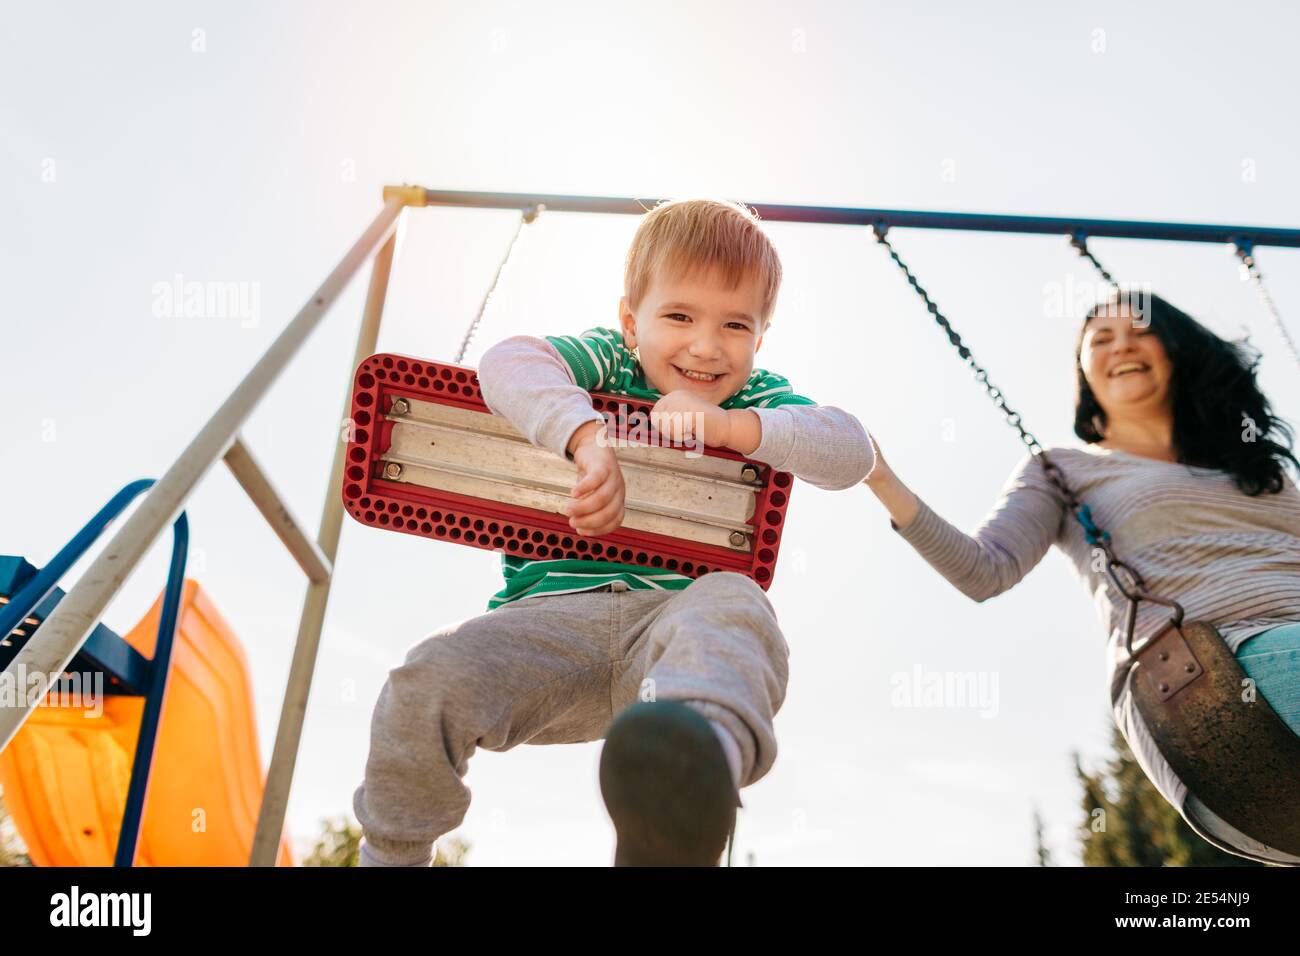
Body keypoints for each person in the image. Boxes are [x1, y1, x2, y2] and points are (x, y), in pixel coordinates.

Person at [353, 197, 875, 866]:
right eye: (680, 315)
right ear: (631, 322)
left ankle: (691, 772)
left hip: (669, 638)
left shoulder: (755, 399)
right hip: (548, 628)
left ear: (760, 338)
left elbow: (850, 449)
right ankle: (392, 855)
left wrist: (730, 428)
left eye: (736, 324)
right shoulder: (605, 361)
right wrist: (586, 439)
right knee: (423, 677)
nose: (708, 345)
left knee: (737, 607)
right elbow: (509, 361)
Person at [865, 289, 1300, 863]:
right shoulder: (1063, 470)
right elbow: (982, 570)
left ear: (1176, 350)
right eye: (1100, 338)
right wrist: (878, 475)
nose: (1121, 344)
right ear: (1084, 373)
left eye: (1140, 331)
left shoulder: (1258, 473)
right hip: (1205, 675)